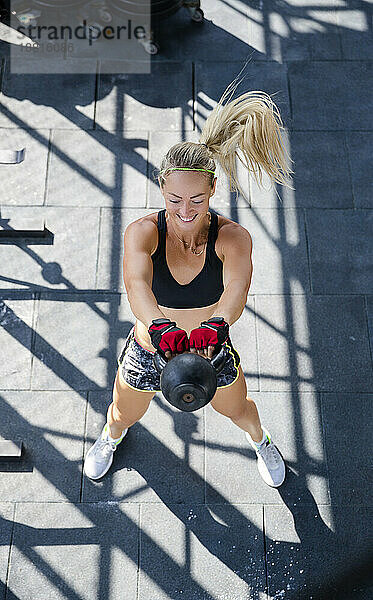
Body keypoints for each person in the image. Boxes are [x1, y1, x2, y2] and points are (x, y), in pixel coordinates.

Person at [84, 78, 292, 488]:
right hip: (150, 347)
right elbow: (137, 284)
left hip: (210, 347)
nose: (185, 210)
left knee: (240, 410)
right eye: (174, 199)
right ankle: (110, 439)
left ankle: (261, 441)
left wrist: (219, 325)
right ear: (162, 187)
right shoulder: (142, 232)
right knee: (123, 412)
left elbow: (236, 288)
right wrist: (159, 326)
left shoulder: (233, 237)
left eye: (196, 200)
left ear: (213, 188)